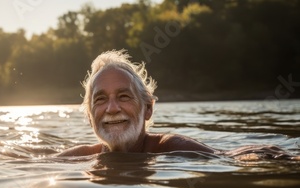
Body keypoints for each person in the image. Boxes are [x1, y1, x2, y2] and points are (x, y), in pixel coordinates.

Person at [58, 50, 299, 160]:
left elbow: (229, 156)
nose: (112, 108)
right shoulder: (79, 156)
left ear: (148, 109)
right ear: (90, 116)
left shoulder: (171, 147)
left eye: (124, 96)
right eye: (100, 99)